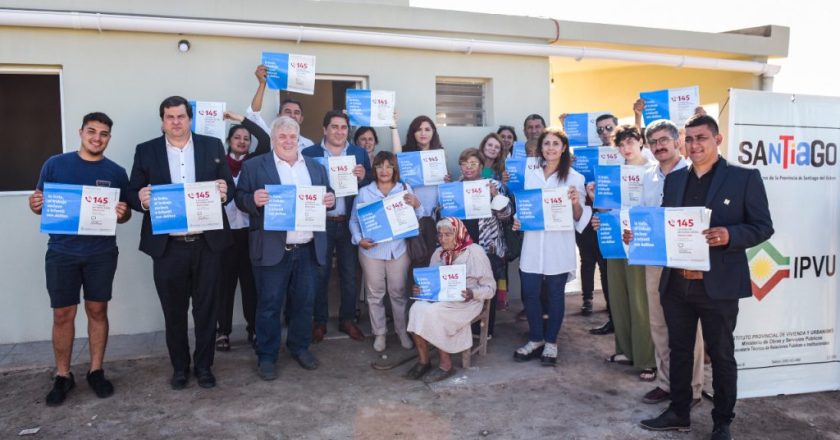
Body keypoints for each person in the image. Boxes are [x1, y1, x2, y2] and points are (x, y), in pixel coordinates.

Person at [640, 115, 773, 440]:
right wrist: (639, 236)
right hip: (677, 284)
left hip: (719, 286)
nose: (695, 144)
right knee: (680, 351)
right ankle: (679, 412)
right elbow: (668, 227)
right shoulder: (675, 179)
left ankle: (722, 422)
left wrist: (730, 234)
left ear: (717, 139)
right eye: (690, 139)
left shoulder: (744, 178)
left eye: (702, 138)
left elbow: (763, 226)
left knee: (722, 355)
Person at [126, 96, 234, 390]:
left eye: (181, 116)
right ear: (162, 121)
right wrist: (141, 199)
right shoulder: (146, 150)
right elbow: (133, 192)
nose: (176, 122)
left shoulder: (212, 146)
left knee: (206, 310)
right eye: (170, 117)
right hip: (168, 248)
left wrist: (225, 191)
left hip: (207, 243)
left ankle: (204, 366)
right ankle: (180, 368)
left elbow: (229, 188)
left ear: (190, 119)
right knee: (173, 312)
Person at [28, 112, 130, 406]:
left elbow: (123, 215)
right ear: (81, 132)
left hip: (101, 254)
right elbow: (41, 205)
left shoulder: (116, 172)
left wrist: (122, 213)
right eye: (92, 131)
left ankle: (96, 370)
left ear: (109, 138)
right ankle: (63, 375)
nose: (97, 138)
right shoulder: (55, 165)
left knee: (98, 310)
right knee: (63, 315)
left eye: (103, 134)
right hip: (62, 253)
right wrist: (34, 204)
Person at [234, 116, 337, 380]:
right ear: (273, 139)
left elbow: (329, 195)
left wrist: (330, 198)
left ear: (299, 139)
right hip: (272, 250)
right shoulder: (256, 166)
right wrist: (253, 200)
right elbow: (240, 198)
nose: (288, 141)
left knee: (304, 304)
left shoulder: (314, 167)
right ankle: (267, 356)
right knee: (269, 306)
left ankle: (299, 347)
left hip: (307, 248)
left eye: (293, 136)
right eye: (282, 136)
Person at [631, 119, 706, 406]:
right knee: (658, 322)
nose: (659, 146)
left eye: (664, 140)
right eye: (654, 142)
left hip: (686, 257)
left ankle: (693, 388)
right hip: (655, 257)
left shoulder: (694, 172)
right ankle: (666, 382)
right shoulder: (646, 174)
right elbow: (640, 212)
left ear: (678, 141)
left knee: (688, 326)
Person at [588, 125, 656, 380]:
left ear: (640, 142)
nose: (626, 148)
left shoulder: (652, 171)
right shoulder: (614, 173)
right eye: (621, 144)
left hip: (641, 241)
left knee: (641, 301)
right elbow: (606, 210)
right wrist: (598, 211)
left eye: (631, 142)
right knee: (618, 297)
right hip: (615, 240)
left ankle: (647, 358)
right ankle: (625, 350)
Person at [512, 128, 585, 366]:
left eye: (556, 144)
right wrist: (518, 218)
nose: (551, 148)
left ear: (564, 148)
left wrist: (575, 202)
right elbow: (526, 207)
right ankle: (536, 339)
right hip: (533, 243)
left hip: (558, 245)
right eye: (546, 144)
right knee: (530, 293)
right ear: (541, 148)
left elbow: (579, 217)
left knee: (555, 296)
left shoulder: (575, 178)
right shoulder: (532, 174)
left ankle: (551, 342)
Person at [303, 110, 372, 343]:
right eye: (334, 127)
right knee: (320, 273)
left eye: (344, 128)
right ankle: (319, 321)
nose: (339, 131)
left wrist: (364, 177)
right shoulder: (309, 153)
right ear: (325, 129)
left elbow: (371, 185)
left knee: (350, 275)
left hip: (348, 222)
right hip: (321, 223)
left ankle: (347, 319)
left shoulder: (358, 152)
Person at [404, 217, 496, 383]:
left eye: (448, 234)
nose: (443, 239)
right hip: (443, 300)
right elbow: (432, 284)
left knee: (433, 313)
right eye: (440, 235)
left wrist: (472, 293)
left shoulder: (474, 252)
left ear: (458, 233)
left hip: (468, 302)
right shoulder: (438, 253)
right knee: (416, 307)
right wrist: (420, 289)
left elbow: (491, 288)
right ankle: (424, 361)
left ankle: (446, 365)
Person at [349, 151, 422, 352]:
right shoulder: (365, 192)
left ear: (394, 169)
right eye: (380, 166)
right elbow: (354, 220)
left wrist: (416, 203)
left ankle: (401, 331)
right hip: (371, 252)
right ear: (375, 169)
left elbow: (420, 215)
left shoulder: (404, 189)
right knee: (375, 294)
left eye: (388, 166)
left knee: (398, 293)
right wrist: (358, 240)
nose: (384, 170)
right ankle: (379, 333)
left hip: (398, 250)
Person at [213, 112, 271, 351]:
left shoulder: (255, 161)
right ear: (229, 141)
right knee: (224, 285)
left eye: (246, 138)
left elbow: (265, 139)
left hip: (249, 233)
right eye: (237, 137)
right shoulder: (217, 162)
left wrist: (241, 118)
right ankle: (223, 331)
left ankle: (254, 329)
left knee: (251, 285)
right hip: (224, 234)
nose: (242, 141)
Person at [457, 148, 512, 338]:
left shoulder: (493, 184)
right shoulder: (455, 187)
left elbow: (506, 216)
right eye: (464, 164)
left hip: (489, 247)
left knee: (487, 289)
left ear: (481, 166)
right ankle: (466, 330)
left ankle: (485, 331)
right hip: (462, 248)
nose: (468, 167)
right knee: (465, 288)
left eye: (473, 163)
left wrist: (495, 195)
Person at [393, 115, 451, 265]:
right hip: (412, 217)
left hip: (433, 217)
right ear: (413, 133)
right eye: (418, 130)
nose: (423, 133)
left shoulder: (440, 154)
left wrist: (446, 182)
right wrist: (393, 128)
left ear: (433, 132)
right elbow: (395, 157)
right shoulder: (406, 154)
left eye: (427, 129)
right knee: (413, 261)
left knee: (434, 261)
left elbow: (444, 188)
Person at [586, 113, 619, 335]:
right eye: (600, 129)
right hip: (603, 219)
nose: (604, 132)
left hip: (628, 223)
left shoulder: (628, 151)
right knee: (608, 272)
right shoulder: (593, 155)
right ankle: (614, 319)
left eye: (608, 127)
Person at [247, 64, 315, 149]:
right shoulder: (269, 136)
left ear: (301, 119)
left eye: (296, 112)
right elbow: (253, 115)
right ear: (279, 116)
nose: (292, 116)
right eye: (288, 111)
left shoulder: (308, 145)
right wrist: (262, 84)